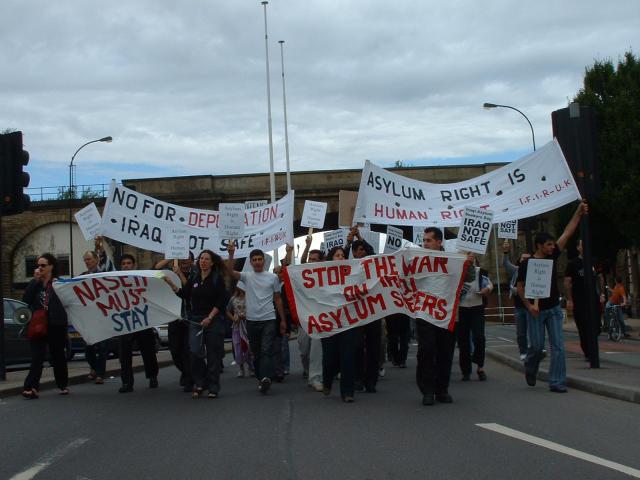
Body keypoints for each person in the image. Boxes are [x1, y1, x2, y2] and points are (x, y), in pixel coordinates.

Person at [517, 200, 588, 393]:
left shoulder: (552, 256)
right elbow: (520, 287)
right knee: (538, 347)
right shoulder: (527, 264)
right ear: (539, 246)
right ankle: (530, 367)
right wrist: (529, 306)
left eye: (552, 245)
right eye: (548, 244)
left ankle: (556, 381)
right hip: (535, 311)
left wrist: (578, 212)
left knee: (558, 347)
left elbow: (568, 232)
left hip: (554, 309)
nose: (552, 247)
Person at [165, 250, 228, 399]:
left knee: (213, 354)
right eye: (201, 259)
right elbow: (185, 294)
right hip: (196, 320)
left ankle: (213, 387)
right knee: (194, 351)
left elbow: (223, 299)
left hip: (213, 320)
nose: (203, 261)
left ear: (212, 262)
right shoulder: (194, 278)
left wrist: (210, 317)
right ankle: (200, 382)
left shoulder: (216, 278)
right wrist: (170, 283)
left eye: (207, 259)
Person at [226, 245, 287, 395]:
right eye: (255, 260)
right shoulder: (247, 276)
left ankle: (266, 377)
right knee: (257, 353)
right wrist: (231, 253)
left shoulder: (272, 278)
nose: (258, 262)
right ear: (251, 262)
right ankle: (262, 378)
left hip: (269, 318)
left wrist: (283, 320)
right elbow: (229, 272)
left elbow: (278, 299)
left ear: (264, 261)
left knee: (266, 350)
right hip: (252, 321)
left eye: (260, 259)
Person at [416, 227, 459, 406]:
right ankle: (427, 390)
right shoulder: (417, 260)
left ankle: (442, 389)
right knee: (426, 351)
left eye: (428, 240)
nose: (425, 243)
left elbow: (468, 276)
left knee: (445, 352)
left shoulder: (452, 260)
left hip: (446, 314)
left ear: (439, 242)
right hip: (425, 313)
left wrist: (469, 263)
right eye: (424, 240)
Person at [22, 253, 69, 398]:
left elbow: (67, 302)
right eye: (38, 265)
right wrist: (35, 281)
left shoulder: (58, 283)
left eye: (43, 265)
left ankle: (62, 384)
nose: (40, 268)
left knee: (57, 355)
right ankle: (31, 387)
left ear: (51, 266)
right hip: (38, 324)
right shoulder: (35, 283)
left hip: (55, 324)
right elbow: (26, 300)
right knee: (37, 356)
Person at [117, 254, 160, 393]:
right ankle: (127, 383)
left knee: (148, 351)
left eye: (129, 263)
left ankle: (152, 376)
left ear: (134, 265)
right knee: (124, 355)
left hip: (142, 320)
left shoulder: (141, 277)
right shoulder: (115, 280)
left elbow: (155, 272)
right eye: (123, 263)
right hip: (125, 322)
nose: (126, 266)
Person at [321, 246, 358, 402]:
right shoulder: (321, 277)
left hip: (348, 322)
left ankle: (348, 392)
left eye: (343, 255)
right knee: (330, 357)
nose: (340, 257)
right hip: (329, 323)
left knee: (348, 356)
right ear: (331, 258)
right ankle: (327, 380)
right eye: (337, 255)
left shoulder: (352, 275)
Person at [347, 227, 380, 393]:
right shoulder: (349, 266)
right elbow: (338, 262)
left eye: (365, 250)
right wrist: (348, 242)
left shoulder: (372, 264)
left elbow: (372, 251)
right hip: (356, 312)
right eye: (360, 250)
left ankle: (371, 381)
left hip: (373, 311)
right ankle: (358, 378)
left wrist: (360, 236)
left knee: (374, 347)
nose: (364, 252)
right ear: (353, 253)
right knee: (357, 346)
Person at [155, 254, 195, 392]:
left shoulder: (196, 273)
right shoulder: (171, 271)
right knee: (175, 352)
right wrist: (173, 256)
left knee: (187, 350)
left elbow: (189, 290)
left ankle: (190, 379)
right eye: (182, 261)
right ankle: (185, 371)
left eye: (187, 261)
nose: (184, 264)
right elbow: (156, 269)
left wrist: (180, 274)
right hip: (174, 318)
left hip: (189, 319)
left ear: (192, 261)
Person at [457, 256, 492, 381]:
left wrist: (486, 289)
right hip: (462, 310)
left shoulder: (480, 271)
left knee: (479, 337)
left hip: (477, 308)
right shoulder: (457, 271)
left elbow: (489, 284)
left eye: (471, 255)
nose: (469, 257)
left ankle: (480, 367)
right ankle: (465, 370)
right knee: (463, 341)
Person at [297, 238, 325, 392]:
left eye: (314, 259)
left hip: (319, 318)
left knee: (316, 347)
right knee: (304, 348)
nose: (311, 261)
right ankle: (309, 371)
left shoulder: (325, 276)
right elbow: (300, 263)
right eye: (310, 259)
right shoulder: (303, 274)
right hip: (304, 318)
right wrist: (307, 245)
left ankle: (316, 377)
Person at [564, 239, 600, 360]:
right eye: (582, 245)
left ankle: (593, 347)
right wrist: (570, 299)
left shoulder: (593, 261)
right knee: (583, 327)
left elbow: (599, 278)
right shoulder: (573, 264)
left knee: (596, 326)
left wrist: (601, 293)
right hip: (579, 299)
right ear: (578, 248)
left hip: (593, 299)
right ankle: (588, 352)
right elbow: (567, 282)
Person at [81, 247, 112, 385]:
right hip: (89, 317)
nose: (87, 262)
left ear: (96, 260)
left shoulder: (103, 274)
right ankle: (94, 367)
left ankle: (100, 373)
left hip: (102, 315)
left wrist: (99, 246)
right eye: (85, 260)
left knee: (102, 347)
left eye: (89, 259)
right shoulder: (82, 276)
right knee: (88, 348)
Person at [502, 241, 531, 361]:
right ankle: (523, 352)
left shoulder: (534, 271)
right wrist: (505, 252)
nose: (525, 260)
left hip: (531, 306)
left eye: (528, 259)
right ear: (519, 260)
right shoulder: (516, 271)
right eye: (523, 258)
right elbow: (505, 263)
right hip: (519, 306)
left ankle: (537, 349)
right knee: (521, 332)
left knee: (534, 330)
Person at [226, 282, 254, 378]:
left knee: (248, 347)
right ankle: (241, 367)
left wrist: (247, 316)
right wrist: (233, 318)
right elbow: (227, 311)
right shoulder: (233, 299)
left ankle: (251, 367)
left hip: (247, 325)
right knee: (238, 347)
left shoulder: (250, 298)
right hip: (237, 327)